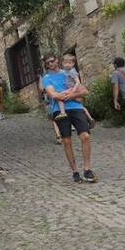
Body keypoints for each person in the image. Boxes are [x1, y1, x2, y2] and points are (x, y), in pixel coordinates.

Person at [41, 54, 97, 182]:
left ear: (57, 60)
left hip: (76, 107)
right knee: (67, 141)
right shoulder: (47, 78)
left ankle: (87, 169)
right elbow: (52, 94)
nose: (52, 64)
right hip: (59, 110)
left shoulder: (68, 73)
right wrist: (61, 96)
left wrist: (70, 96)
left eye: (53, 60)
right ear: (46, 65)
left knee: (86, 136)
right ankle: (75, 171)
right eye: (49, 62)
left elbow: (84, 91)